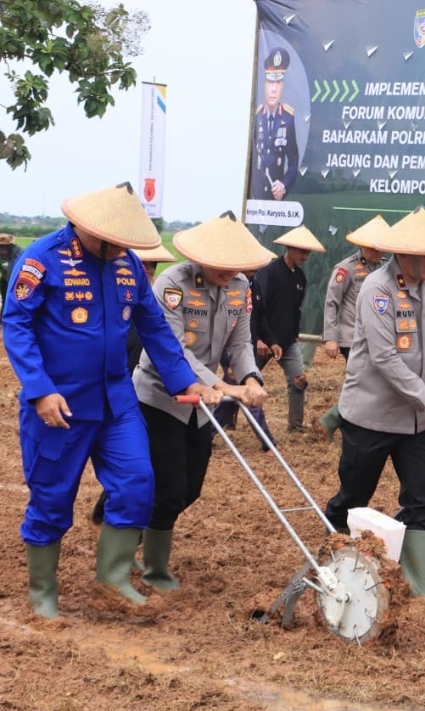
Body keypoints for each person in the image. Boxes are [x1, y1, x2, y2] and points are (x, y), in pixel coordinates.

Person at [1, 182, 221, 619]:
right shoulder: (41, 260)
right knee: (52, 497)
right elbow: (17, 325)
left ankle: (113, 580)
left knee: (139, 481)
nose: (122, 248)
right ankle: (42, 592)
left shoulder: (129, 267)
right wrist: (40, 389)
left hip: (117, 401)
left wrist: (186, 380)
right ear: (88, 228)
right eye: (115, 241)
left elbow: (155, 327)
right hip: (60, 403)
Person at [323, 207, 425, 601]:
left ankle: (417, 580)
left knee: (424, 498)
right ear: (403, 255)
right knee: (355, 496)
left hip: (416, 422)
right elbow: (385, 358)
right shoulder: (377, 289)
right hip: (370, 416)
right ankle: (332, 558)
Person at [133, 212, 272, 591]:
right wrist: (223, 387)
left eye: (237, 265)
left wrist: (250, 377)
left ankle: (129, 524)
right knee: (169, 487)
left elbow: (240, 343)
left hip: (204, 401)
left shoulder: (239, 288)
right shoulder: (172, 284)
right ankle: (155, 570)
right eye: (223, 265)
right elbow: (172, 350)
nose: (231, 271)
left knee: (190, 487)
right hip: (161, 395)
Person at [90, 241, 179, 530]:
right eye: (144, 265)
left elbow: (159, 336)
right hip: (119, 377)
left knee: (137, 459)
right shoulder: (114, 292)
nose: (148, 271)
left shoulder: (152, 298)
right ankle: (107, 511)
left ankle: (108, 511)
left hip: (138, 374)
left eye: (152, 267)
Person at [314, 216, 390, 441]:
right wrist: (331, 338)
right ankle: (335, 421)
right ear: (361, 246)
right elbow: (331, 303)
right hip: (351, 337)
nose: (375, 252)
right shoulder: (345, 269)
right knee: (366, 380)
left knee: (365, 381)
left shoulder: (386, 269)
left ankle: (334, 421)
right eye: (371, 247)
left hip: (378, 337)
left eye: (379, 248)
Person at [251, 226, 326, 433]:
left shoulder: (300, 278)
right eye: (302, 251)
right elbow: (259, 307)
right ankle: (226, 418)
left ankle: (295, 427)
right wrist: (258, 338)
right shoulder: (270, 272)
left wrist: (293, 336)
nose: (306, 256)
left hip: (286, 341)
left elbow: (296, 310)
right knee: (247, 379)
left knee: (299, 380)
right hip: (264, 341)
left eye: (308, 252)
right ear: (289, 248)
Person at [251, 47, 298, 201]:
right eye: (270, 82)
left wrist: (283, 185)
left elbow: (293, 162)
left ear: (282, 86)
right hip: (255, 199)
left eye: (278, 83)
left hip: (276, 200)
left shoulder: (288, 119)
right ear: (264, 85)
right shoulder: (256, 117)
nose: (273, 89)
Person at [0, 233, 23, 321]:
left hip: (18, 280)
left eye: (4, 247)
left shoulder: (19, 252)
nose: (2, 249)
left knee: (17, 301)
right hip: (5, 279)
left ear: (9, 246)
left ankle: (17, 320)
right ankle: (3, 321)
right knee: (5, 300)